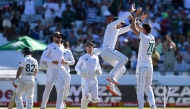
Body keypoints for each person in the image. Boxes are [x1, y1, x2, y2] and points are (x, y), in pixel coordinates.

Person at [100, 3, 136, 96]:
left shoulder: (117, 30)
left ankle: (111, 85)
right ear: (115, 22)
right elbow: (120, 19)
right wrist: (130, 12)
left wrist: (138, 20)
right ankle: (111, 75)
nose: (122, 24)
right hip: (106, 50)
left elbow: (130, 28)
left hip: (107, 54)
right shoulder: (110, 26)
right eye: (121, 23)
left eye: (123, 24)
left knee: (122, 69)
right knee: (125, 59)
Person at [130, 7, 157, 109]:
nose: (140, 29)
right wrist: (140, 19)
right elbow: (138, 26)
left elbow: (133, 27)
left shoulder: (144, 38)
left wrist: (136, 15)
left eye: (142, 29)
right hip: (150, 66)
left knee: (140, 89)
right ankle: (153, 106)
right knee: (148, 87)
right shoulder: (152, 37)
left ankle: (141, 107)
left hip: (142, 66)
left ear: (144, 30)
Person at [40, 31, 67, 109]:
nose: (60, 38)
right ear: (54, 38)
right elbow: (43, 57)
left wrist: (64, 60)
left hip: (60, 69)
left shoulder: (62, 46)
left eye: (60, 37)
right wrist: (52, 61)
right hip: (51, 69)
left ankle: (58, 107)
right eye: (58, 37)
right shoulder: (50, 46)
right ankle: (43, 106)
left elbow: (60, 56)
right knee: (48, 88)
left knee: (61, 88)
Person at [75, 42, 102, 109]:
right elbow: (76, 67)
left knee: (95, 99)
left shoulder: (96, 57)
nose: (90, 48)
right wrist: (81, 71)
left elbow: (98, 67)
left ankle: (89, 97)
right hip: (85, 80)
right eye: (88, 47)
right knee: (85, 96)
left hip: (94, 80)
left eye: (91, 47)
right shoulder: (83, 57)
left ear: (93, 48)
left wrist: (99, 71)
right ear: (86, 48)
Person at [55, 40, 75, 109]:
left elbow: (73, 62)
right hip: (58, 74)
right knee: (59, 89)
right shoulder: (54, 52)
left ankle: (62, 102)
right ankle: (60, 106)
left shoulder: (67, 52)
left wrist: (66, 62)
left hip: (66, 73)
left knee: (66, 92)